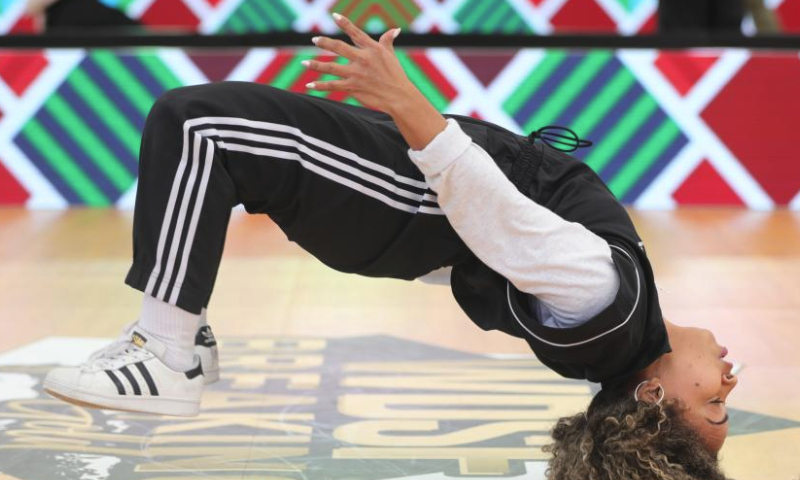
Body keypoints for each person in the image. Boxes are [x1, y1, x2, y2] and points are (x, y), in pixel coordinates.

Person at [43, 13, 737, 478]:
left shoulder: (606, 303)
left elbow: (496, 219)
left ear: (650, 393)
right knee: (212, 138)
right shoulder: (611, 329)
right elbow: (488, 259)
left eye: (713, 407)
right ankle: (183, 341)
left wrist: (406, 101)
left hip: (408, 202)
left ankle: (166, 353)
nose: (729, 383)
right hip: (402, 216)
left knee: (199, 126)